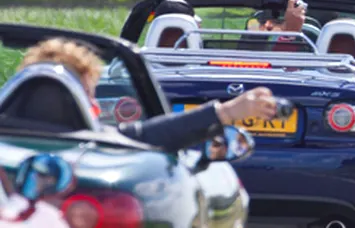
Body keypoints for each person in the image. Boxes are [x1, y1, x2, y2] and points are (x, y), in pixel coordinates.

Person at [16, 38, 280, 152]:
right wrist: (227, 112)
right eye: (89, 95)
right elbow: (148, 136)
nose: (95, 106)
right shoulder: (94, 147)